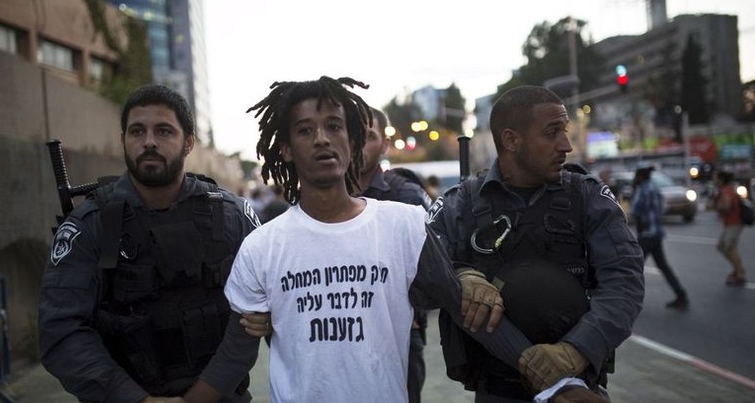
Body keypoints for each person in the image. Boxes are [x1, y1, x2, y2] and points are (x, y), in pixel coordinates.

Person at [181, 77, 604, 403]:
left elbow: (466, 311)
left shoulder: (403, 225)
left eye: (334, 126)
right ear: (287, 149)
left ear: (351, 141)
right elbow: (236, 354)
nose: (323, 138)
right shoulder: (262, 246)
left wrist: (558, 382)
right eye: (306, 130)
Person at [38, 84, 265, 403]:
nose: (148, 142)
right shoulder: (89, 225)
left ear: (188, 143)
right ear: (123, 140)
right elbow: (61, 332)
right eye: (137, 131)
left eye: (163, 131)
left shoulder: (232, 216)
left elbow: (253, 316)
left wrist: (203, 395)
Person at [428, 85, 645, 402]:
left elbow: (624, 281)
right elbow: (424, 272)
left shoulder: (586, 197)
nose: (567, 146)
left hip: (578, 389)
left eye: (565, 131)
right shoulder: (458, 204)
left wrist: (574, 351)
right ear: (511, 140)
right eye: (552, 133)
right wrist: (462, 276)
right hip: (498, 390)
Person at [358, 107, 432, 403]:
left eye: (368, 136)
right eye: (351, 134)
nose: (358, 144)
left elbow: (435, 271)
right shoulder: (319, 200)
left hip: (398, 336)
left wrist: (413, 309)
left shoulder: (408, 198)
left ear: (385, 144)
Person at [629, 165, 689, 308]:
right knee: (663, 266)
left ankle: (626, 300)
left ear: (641, 177)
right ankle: (681, 294)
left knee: (633, 267)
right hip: (656, 233)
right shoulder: (655, 188)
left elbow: (635, 210)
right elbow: (663, 207)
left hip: (646, 235)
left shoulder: (643, 189)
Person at [713, 168, 746, 286]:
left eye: (715, 178)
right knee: (722, 246)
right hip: (730, 223)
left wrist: (717, 207)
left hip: (734, 223)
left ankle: (740, 273)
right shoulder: (726, 189)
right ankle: (737, 269)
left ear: (721, 180)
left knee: (729, 248)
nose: (714, 180)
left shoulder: (726, 191)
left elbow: (726, 206)